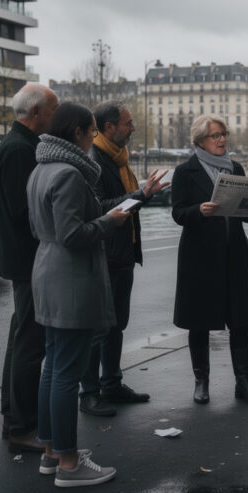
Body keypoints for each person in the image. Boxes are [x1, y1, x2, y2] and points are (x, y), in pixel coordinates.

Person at [27, 102, 128, 487]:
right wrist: (110, 220)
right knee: (67, 372)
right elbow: (73, 235)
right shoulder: (69, 173)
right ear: (77, 134)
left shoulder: (41, 169)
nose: (92, 138)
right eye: (90, 132)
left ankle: (52, 452)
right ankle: (69, 463)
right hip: (71, 279)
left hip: (48, 271)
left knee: (54, 367)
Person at [77, 101, 170, 417]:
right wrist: (141, 195)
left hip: (122, 254)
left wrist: (141, 195)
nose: (132, 128)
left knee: (116, 325)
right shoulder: (95, 161)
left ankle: (112, 383)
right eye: (127, 123)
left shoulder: (118, 158)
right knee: (99, 328)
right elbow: (102, 206)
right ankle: (88, 393)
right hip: (105, 254)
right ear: (108, 128)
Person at [172, 115, 248, 405]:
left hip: (234, 253)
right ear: (201, 140)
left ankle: (244, 383)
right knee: (199, 321)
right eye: (215, 135)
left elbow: (242, 211)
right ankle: (201, 382)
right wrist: (197, 211)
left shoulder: (235, 168)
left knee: (240, 320)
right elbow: (178, 213)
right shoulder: (185, 171)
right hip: (199, 256)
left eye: (223, 134)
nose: (222, 140)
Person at [0, 83, 58, 454]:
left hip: (22, 258)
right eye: (53, 109)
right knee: (29, 345)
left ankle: (12, 417)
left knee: (21, 340)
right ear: (36, 112)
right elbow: (25, 210)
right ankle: (22, 425)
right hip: (30, 259)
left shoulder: (17, 144)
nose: (56, 116)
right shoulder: (21, 150)